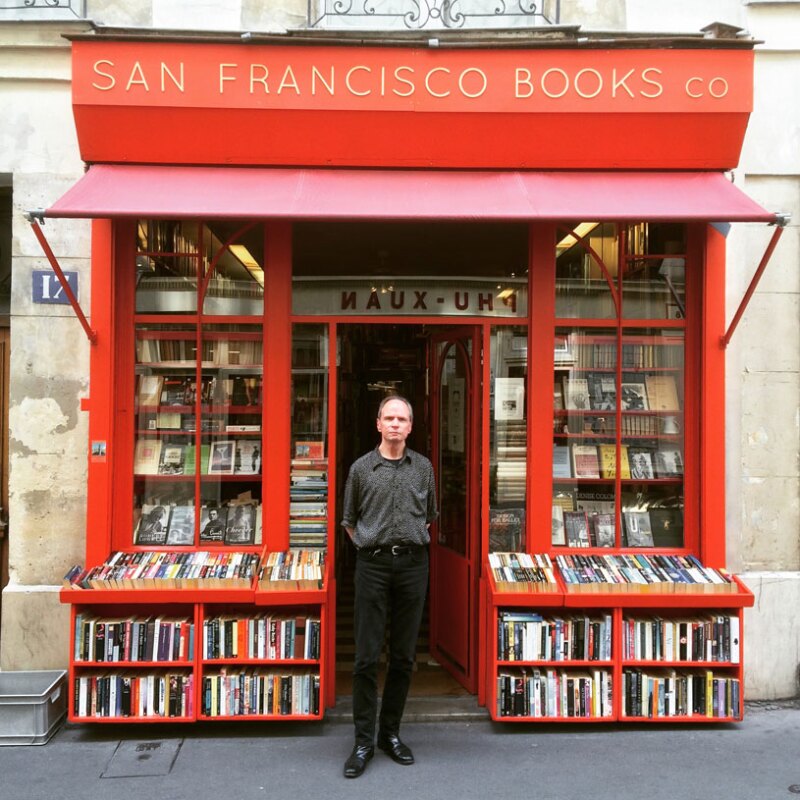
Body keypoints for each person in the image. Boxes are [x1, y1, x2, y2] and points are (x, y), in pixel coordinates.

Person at [341, 395, 437, 779]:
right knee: (365, 657)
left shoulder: (424, 468)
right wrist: (371, 546)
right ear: (377, 424)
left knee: (402, 656)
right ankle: (363, 740)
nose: (395, 424)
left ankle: (390, 734)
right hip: (373, 565)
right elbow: (349, 521)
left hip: (413, 565)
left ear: (410, 427)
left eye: (402, 419)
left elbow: (429, 517)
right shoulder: (362, 469)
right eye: (389, 418)